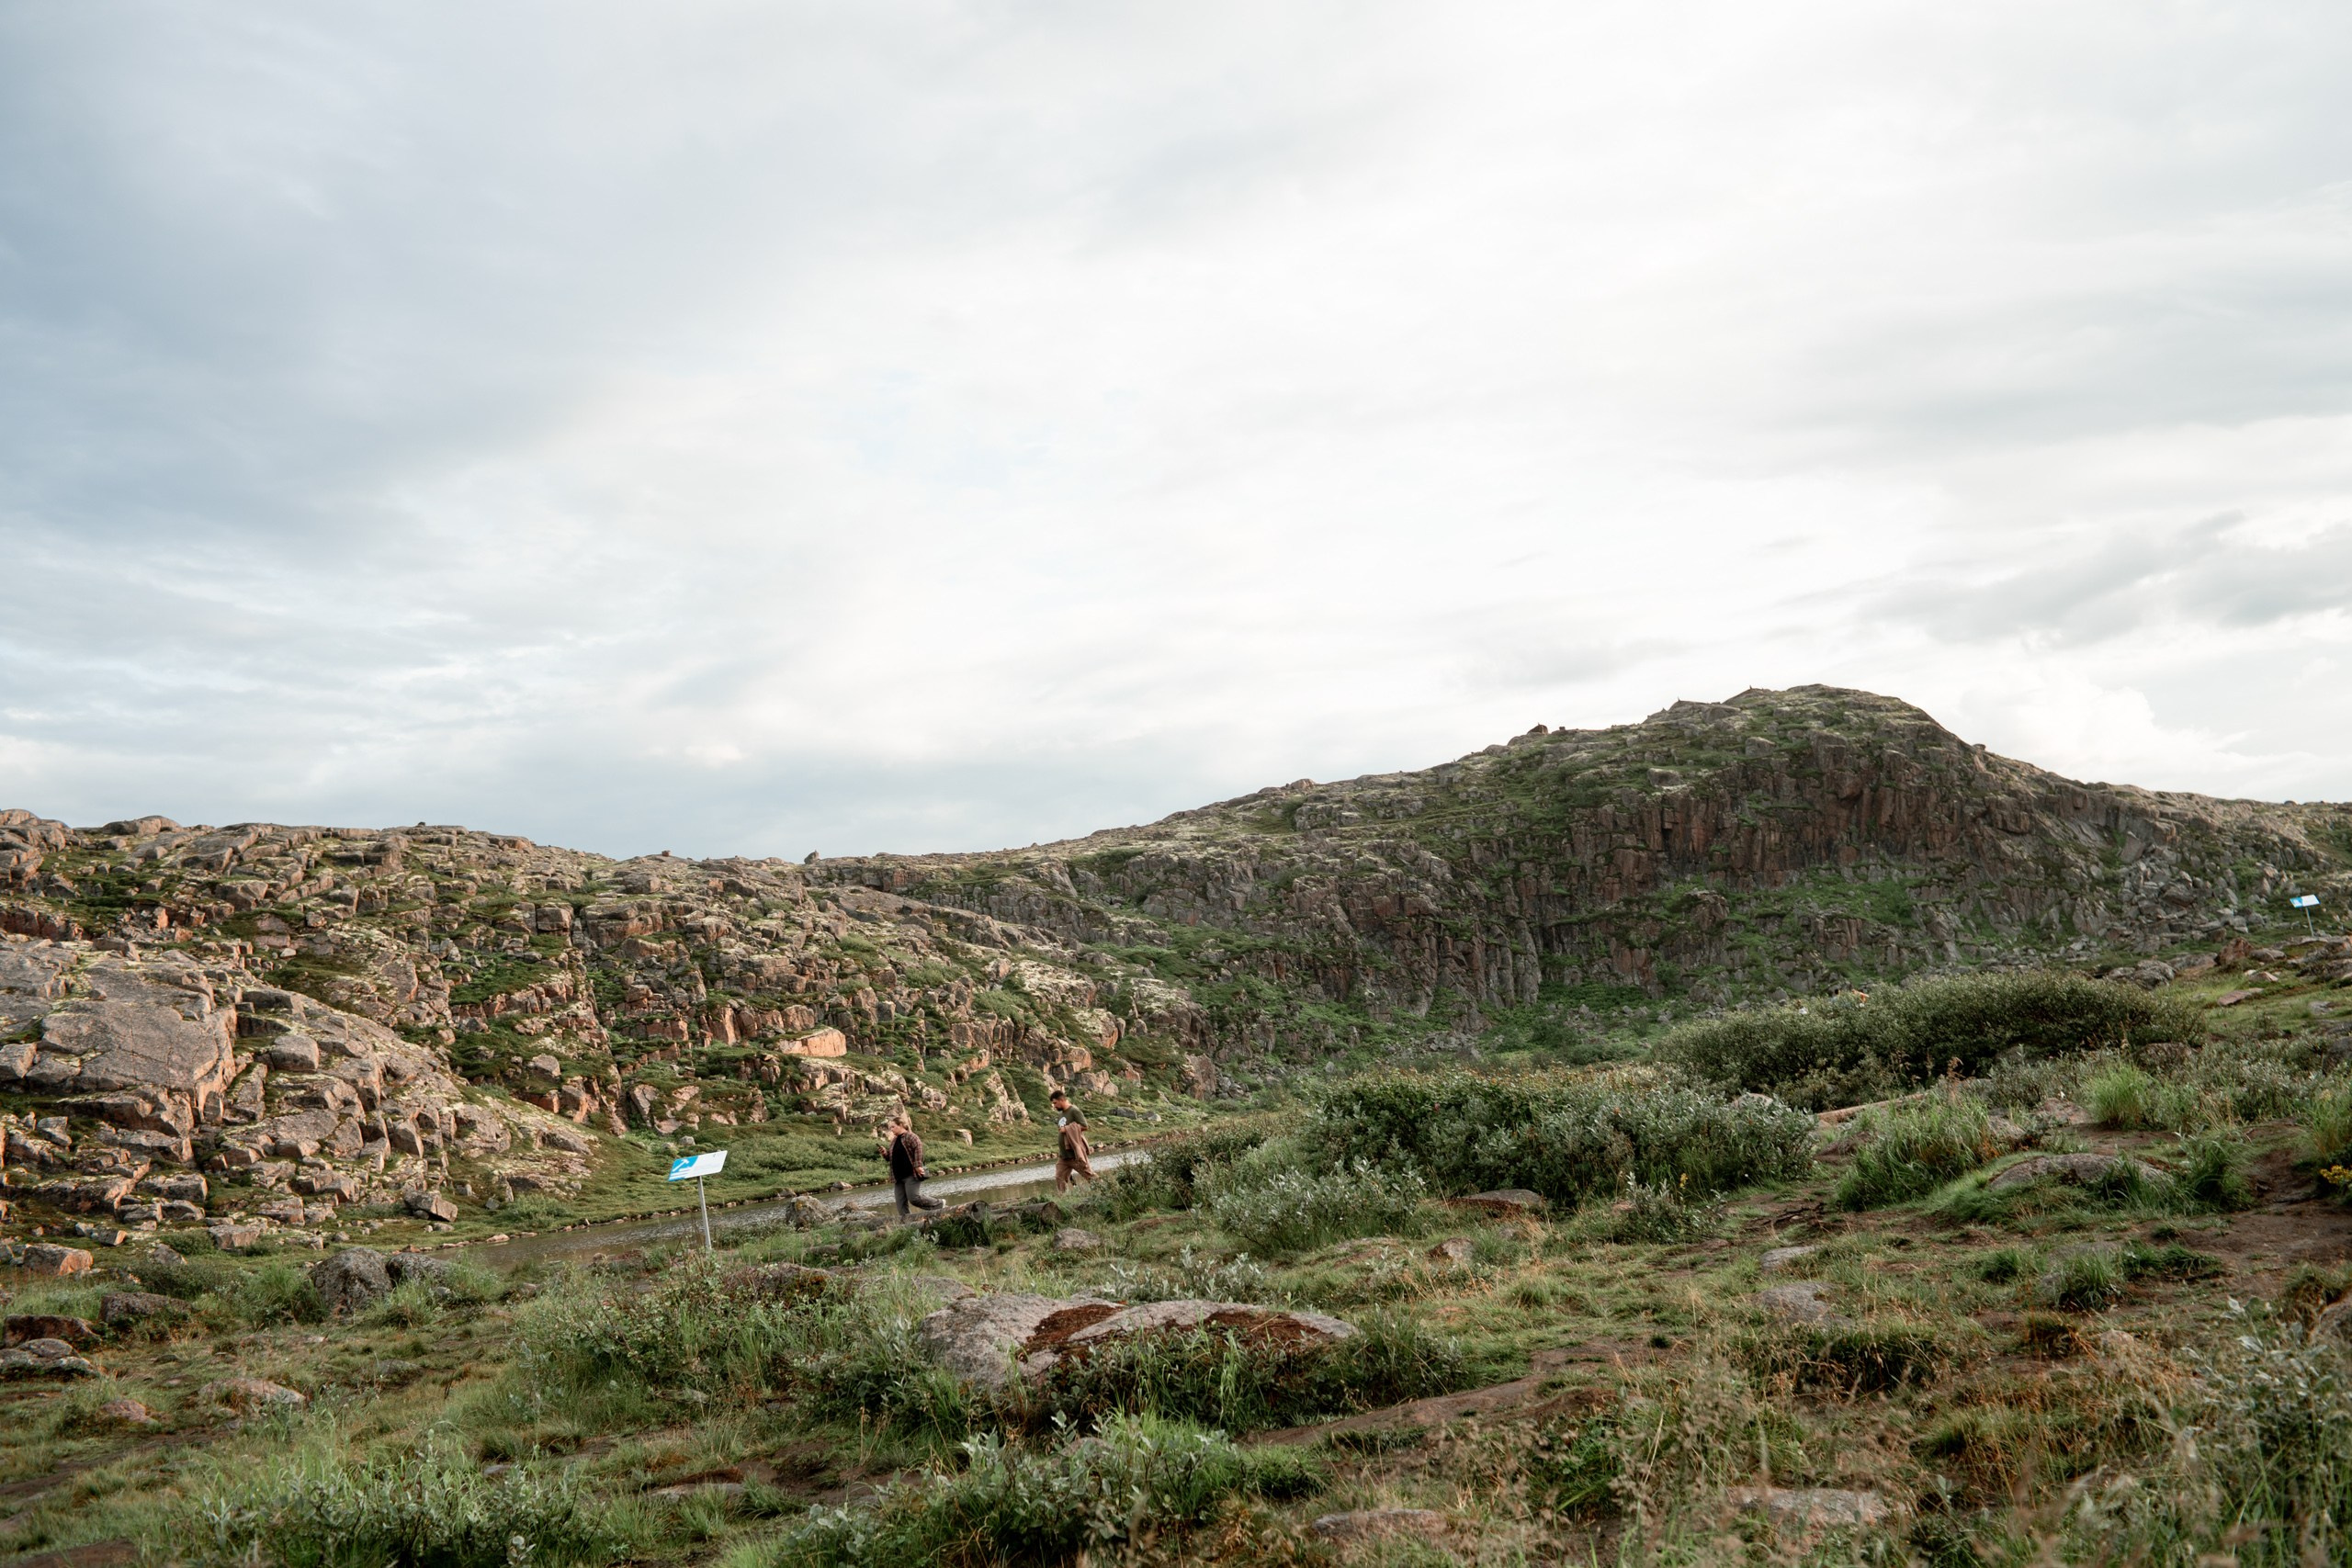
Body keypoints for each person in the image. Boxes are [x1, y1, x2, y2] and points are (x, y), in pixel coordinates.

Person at [884, 1116, 944, 1219]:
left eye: (893, 1127)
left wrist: (917, 1166)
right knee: (900, 1204)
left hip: (911, 1174)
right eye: (891, 1128)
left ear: (901, 1125)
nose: (891, 1129)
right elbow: (890, 1157)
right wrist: (885, 1153)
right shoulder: (894, 1141)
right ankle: (908, 1223)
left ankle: (938, 1204)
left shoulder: (911, 1137)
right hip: (898, 1177)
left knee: (914, 1198)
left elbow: (918, 1149)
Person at [1050, 1089, 1094, 1193]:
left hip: (1074, 1154)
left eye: (1055, 1103)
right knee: (1059, 1177)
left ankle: (1107, 1190)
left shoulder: (1074, 1110)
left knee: (1088, 1175)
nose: (1054, 1106)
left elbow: (1085, 1126)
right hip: (1063, 1155)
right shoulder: (1061, 1114)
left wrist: (1067, 1129)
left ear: (1061, 1100)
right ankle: (1063, 1200)